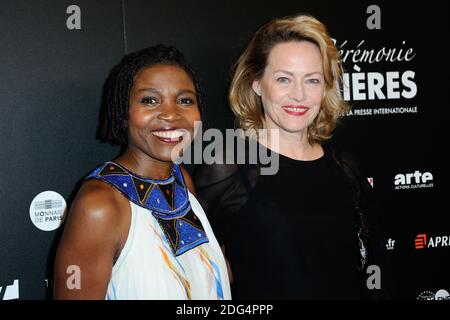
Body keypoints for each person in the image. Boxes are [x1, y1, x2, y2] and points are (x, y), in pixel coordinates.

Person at [193, 14, 382, 299]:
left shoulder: (343, 166)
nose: (299, 95)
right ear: (256, 83)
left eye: (312, 80)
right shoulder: (228, 166)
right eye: (284, 79)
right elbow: (198, 273)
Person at [53, 45, 231, 300]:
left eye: (184, 100)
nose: (171, 113)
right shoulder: (100, 206)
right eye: (149, 100)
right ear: (123, 113)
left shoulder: (183, 182)